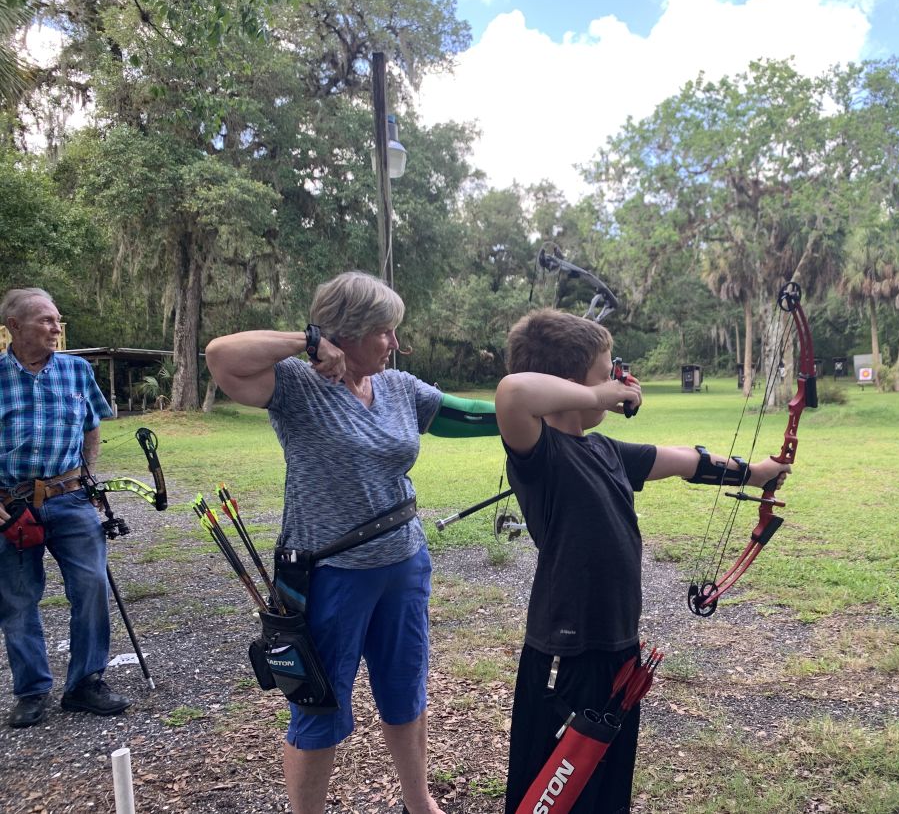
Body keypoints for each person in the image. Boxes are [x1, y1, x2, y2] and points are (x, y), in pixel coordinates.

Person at [206, 270, 495, 814]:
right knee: (318, 704)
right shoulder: (295, 384)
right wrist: (308, 342)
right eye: (385, 331)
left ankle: (419, 803)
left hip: (404, 563)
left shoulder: (398, 388)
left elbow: (469, 414)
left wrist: (536, 414)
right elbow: (221, 356)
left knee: (405, 688)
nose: (395, 343)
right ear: (348, 332)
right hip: (330, 573)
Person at [495, 308, 791, 813]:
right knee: (553, 779)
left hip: (616, 641)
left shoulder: (607, 451)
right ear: (568, 385)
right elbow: (512, 393)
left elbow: (684, 461)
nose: (616, 383)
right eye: (606, 371)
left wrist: (754, 472)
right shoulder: (539, 455)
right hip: (567, 647)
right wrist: (597, 396)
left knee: (605, 771)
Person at [0, 288, 131, 729]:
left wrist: (89, 476)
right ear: (14, 327)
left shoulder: (77, 370)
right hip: (11, 505)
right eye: (46, 321)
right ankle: (32, 690)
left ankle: (86, 683)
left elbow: (93, 425)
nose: (56, 329)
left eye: (58, 320)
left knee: (92, 585)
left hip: (71, 497)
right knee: (18, 600)